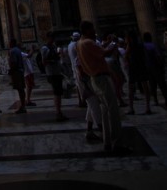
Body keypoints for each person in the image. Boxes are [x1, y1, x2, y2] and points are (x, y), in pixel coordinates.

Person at [77, 20, 131, 155]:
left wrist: (106, 43)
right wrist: (113, 44)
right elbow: (105, 53)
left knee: (105, 112)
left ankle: (107, 141)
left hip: (94, 79)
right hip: (101, 78)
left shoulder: (80, 43)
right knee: (113, 111)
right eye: (92, 29)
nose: (94, 31)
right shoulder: (88, 43)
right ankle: (117, 143)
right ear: (87, 30)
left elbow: (98, 50)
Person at [41, 31, 68, 122]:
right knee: (57, 93)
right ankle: (58, 113)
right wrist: (53, 60)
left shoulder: (54, 47)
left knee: (59, 93)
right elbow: (44, 62)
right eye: (52, 38)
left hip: (57, 72)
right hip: (51, 73)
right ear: (48, 38)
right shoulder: (45, 48)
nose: (53, 39)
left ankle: (59, 112)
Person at [8, 38, 26, 114]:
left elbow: (14, 62)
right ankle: (23, 105)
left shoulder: (13, 51)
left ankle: (23, 106)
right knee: (21, 89)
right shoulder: (18, 50)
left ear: (12, 43)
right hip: (21, 71)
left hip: (17, 72)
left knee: (20, 89)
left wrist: (11, 70)